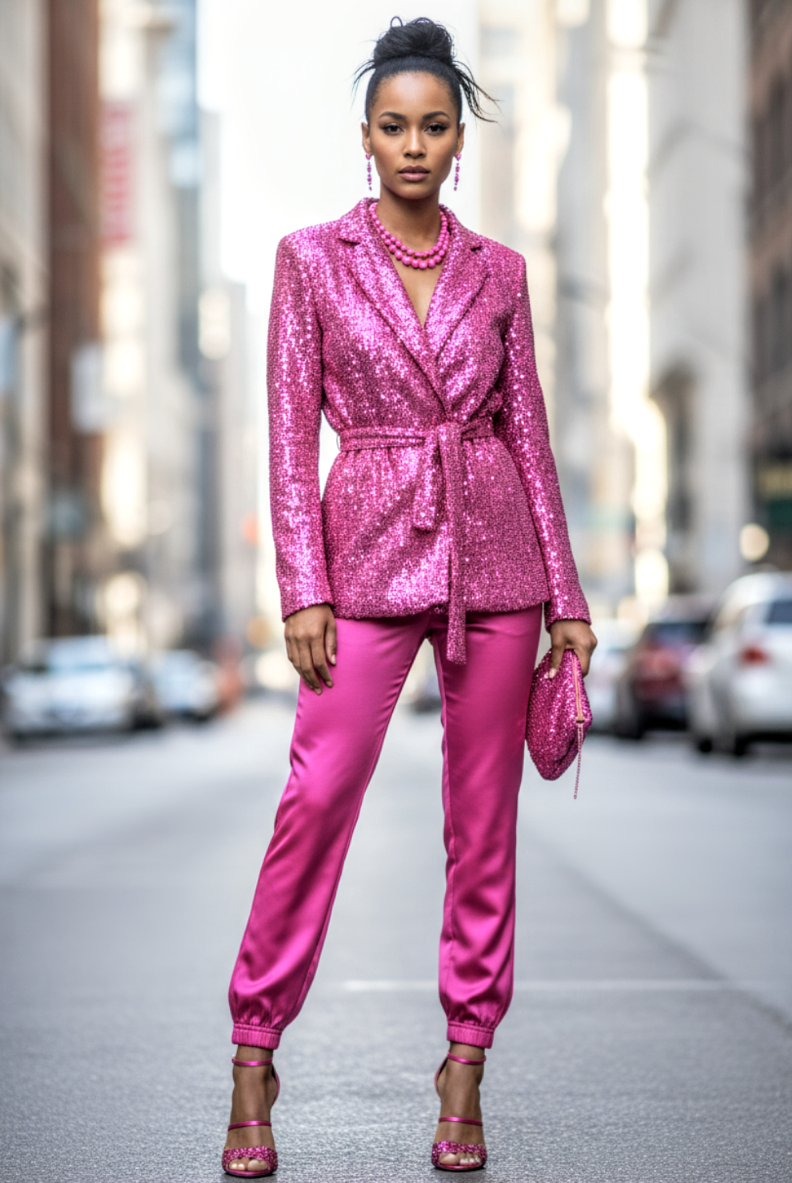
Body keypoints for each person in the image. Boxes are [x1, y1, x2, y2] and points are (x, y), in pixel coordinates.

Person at [222, 16, 597, 1177]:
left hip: (496, 562)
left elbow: (528, 438)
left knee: (482, 827)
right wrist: (303, 586)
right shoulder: (309, 260)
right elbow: (290, 440)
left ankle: (467, 1059)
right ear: (367, 137)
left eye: (436, 126)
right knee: (318, 793)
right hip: (365, 553)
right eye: (396, 127)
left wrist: (567, 593)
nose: (416, 146)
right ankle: (254, 1046)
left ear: (459, 139)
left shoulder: (503, 272)